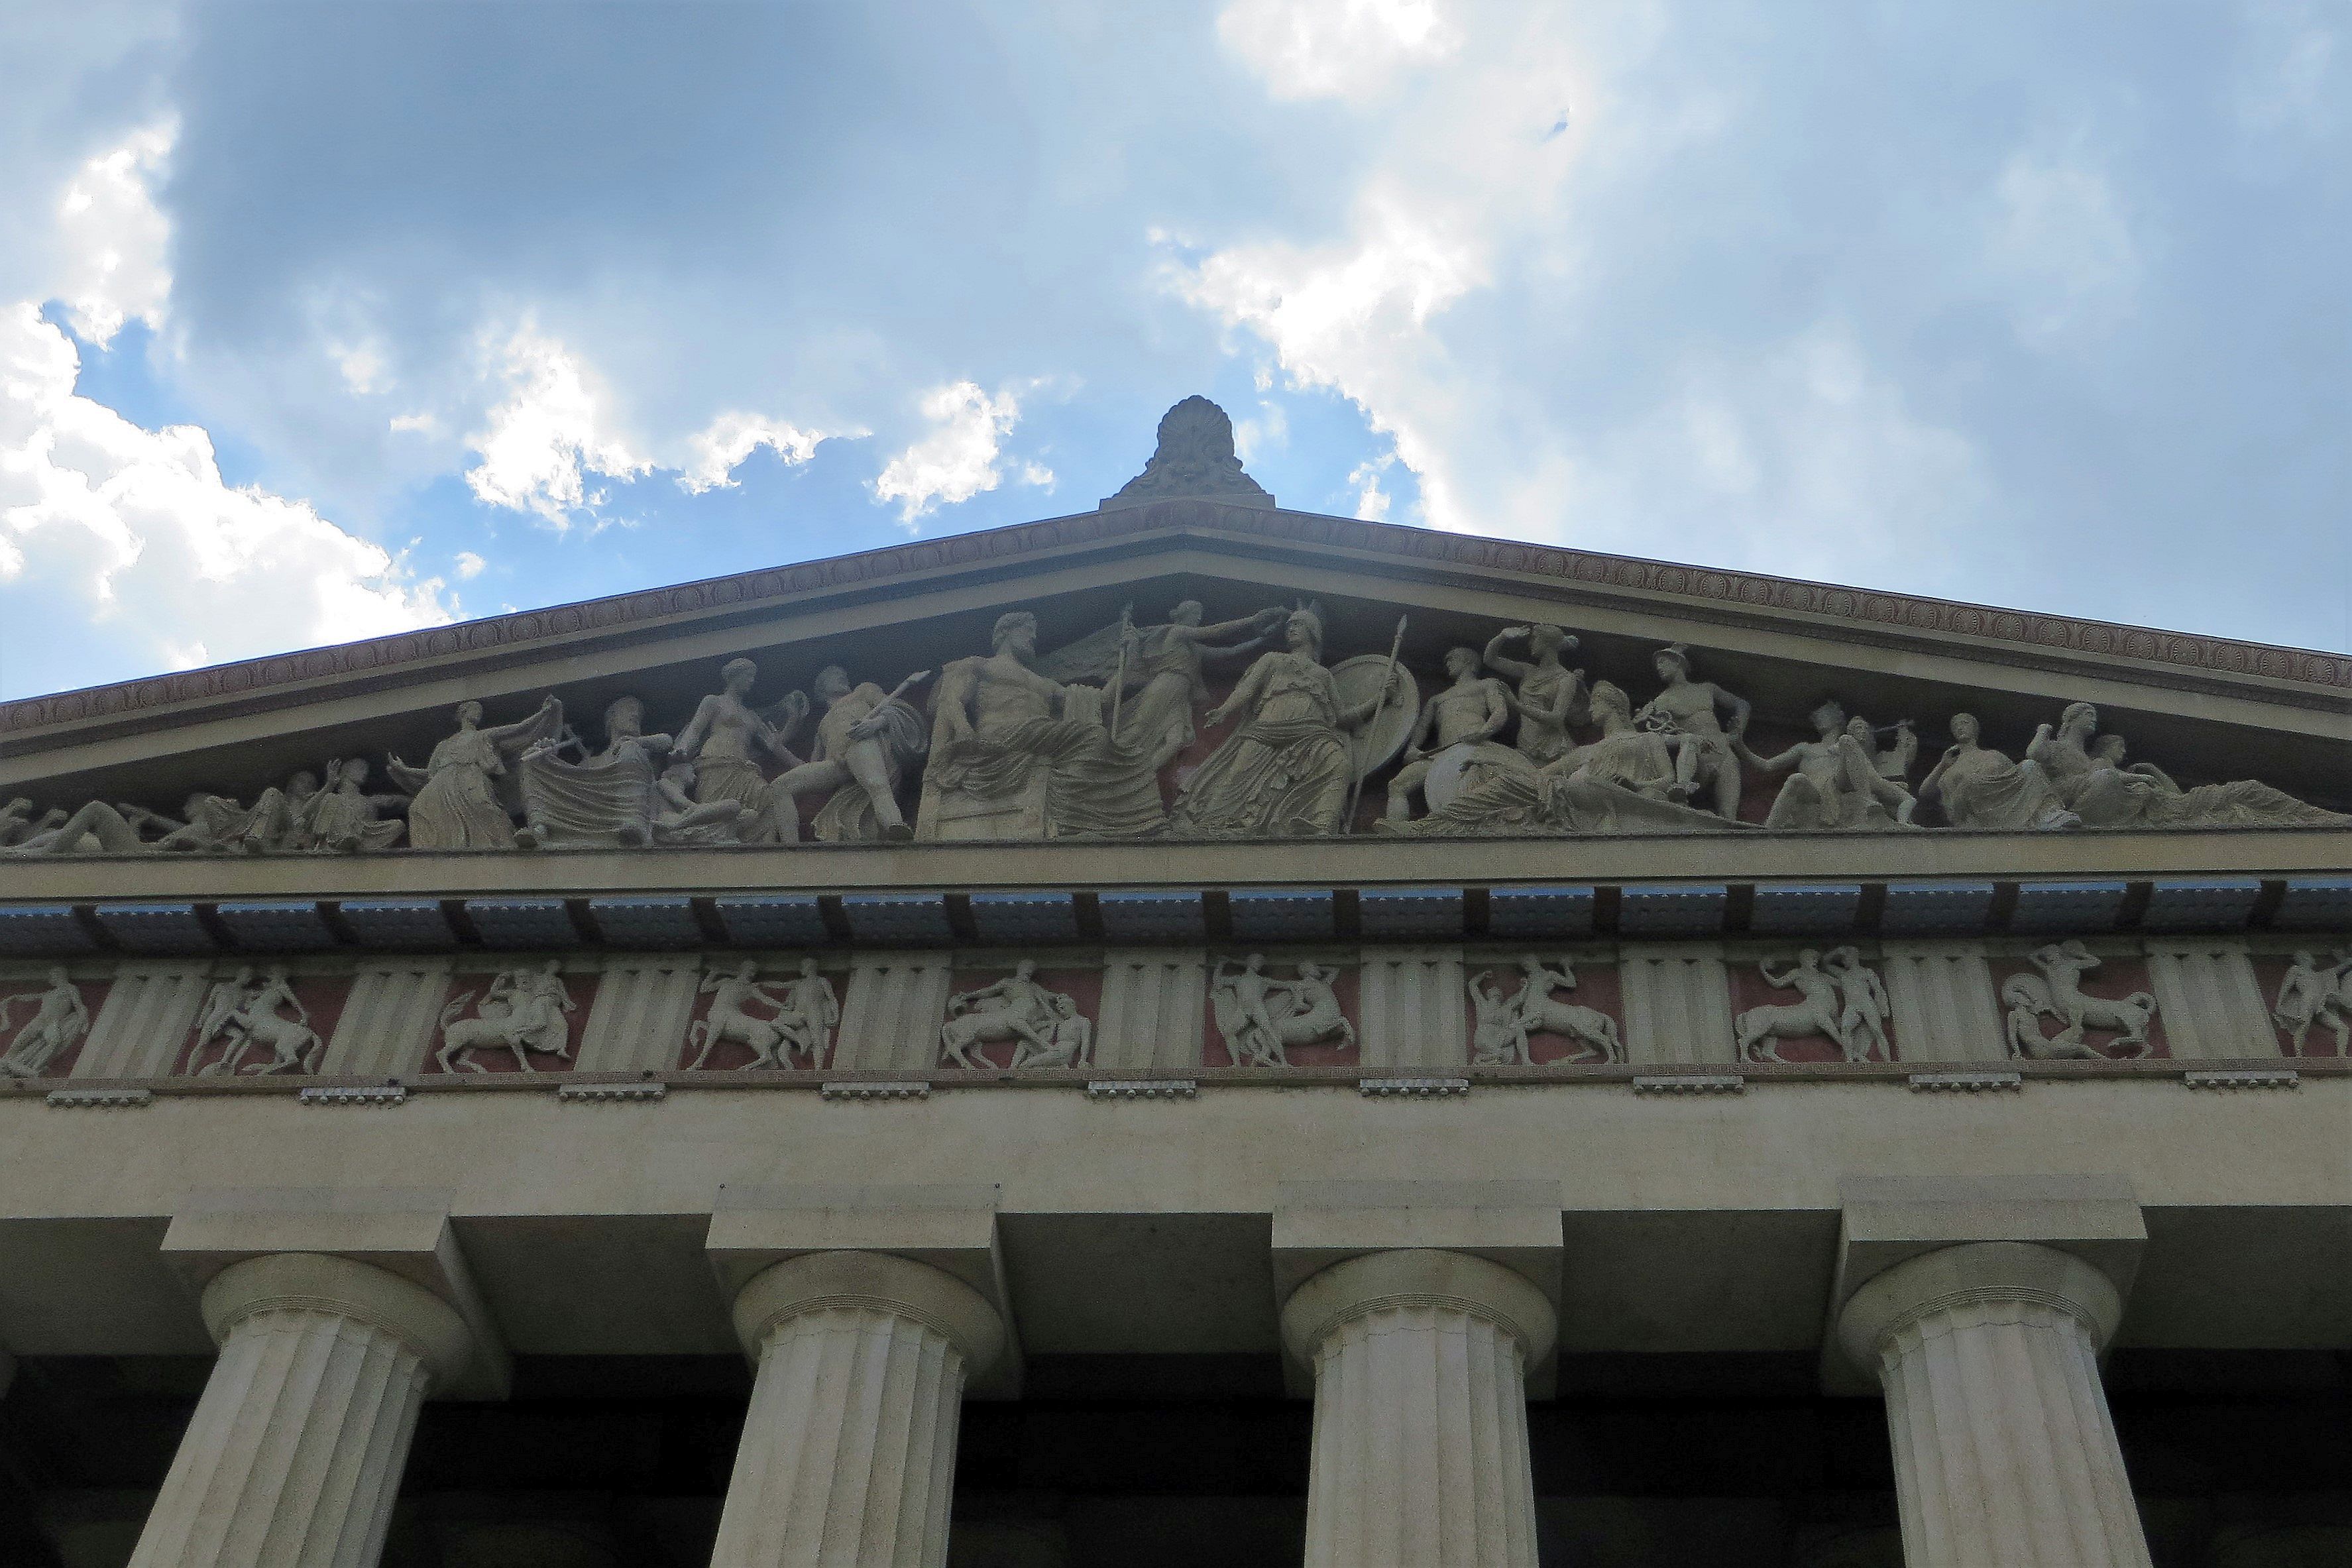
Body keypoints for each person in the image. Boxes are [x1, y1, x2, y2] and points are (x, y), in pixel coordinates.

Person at [1173, 605, 1404, 837]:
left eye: (1298, 624)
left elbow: (1341, 718)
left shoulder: (1323, 676)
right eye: (1289, 625)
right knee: (1235, 779)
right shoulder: (1273, 660)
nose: (1291, 629)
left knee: (1339, 764)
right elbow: (1247, 689)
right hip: (1267, 731)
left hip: (1311, 735)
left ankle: (1323, 826)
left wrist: (1379, 699)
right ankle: (1209, 827)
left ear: (1312, 632)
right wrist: (1224, 710)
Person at [387, 697, 565, 849]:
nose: (478, 714)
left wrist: (543, 714)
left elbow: (518, 729)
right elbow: (430, 773)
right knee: (417, 808)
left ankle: (505, 845)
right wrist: (405, 770)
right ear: (463, 713)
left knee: (485, 809)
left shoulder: (484, 735)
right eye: (475, 709)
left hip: (471, 779)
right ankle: (429, 855)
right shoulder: (443, 745)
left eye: (480, 711)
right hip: (441, 784)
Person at [673, 659, 805, 840]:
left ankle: (775, 849)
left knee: (772, 802)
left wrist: (793, 720)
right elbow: (695, 729)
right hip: (716, 765)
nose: (752, 681)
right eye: (748, 676)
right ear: (734, 676)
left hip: (745, 770)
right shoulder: (714, 701)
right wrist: (682, 749)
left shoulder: (751, 716)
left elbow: (774, 745)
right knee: (718, 815)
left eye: (753, 677)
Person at [1388, 647, 1514, 822]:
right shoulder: (1437, 699)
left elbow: (1499, 712)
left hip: (1476, 749)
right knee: (1397, 785)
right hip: (1442, 755)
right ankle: (1395, 832)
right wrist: (1412, 749)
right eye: (1447, 660)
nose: (1448, 663)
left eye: (1453, 658)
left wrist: (1483, 732)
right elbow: (1422, 728)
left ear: (1469, 662)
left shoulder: (1487, 684)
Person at [1632, 645, 1750, 819]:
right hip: (1699, 758)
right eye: (1657, 664)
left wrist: (1736, 734)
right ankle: (1683, 788)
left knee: (1729, 817)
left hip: (1725, 753)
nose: (1659, 667)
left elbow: (1743, 705)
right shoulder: (1662, 701)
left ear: (1678, 662)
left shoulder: (1707, 688)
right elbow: (1657, 735)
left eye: (1663, 662)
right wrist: (1643, 723)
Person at [1917, 713, 2078, 830]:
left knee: (2030, 766)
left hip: (2004, 804)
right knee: (1971, 782)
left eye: (1965, 723)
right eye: (1956, 726)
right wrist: (1942, 765)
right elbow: (1925, 792)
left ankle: (2050, 815)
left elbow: (2017, 781)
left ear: (1975, 729)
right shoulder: (1951, 765)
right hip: (1972, 813)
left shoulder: (1994, 755)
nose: (1960, 727)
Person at [1483, 624, 1586, 765]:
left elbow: (1557, 718)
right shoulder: (1527, 670)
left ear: (1548, 642)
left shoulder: (1566, 678)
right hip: (1525, 745)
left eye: (1535, 639)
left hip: (1551, 749)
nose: (1530, 644)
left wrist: (1516, 705)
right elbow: (1490, 660)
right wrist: (1503, 636)